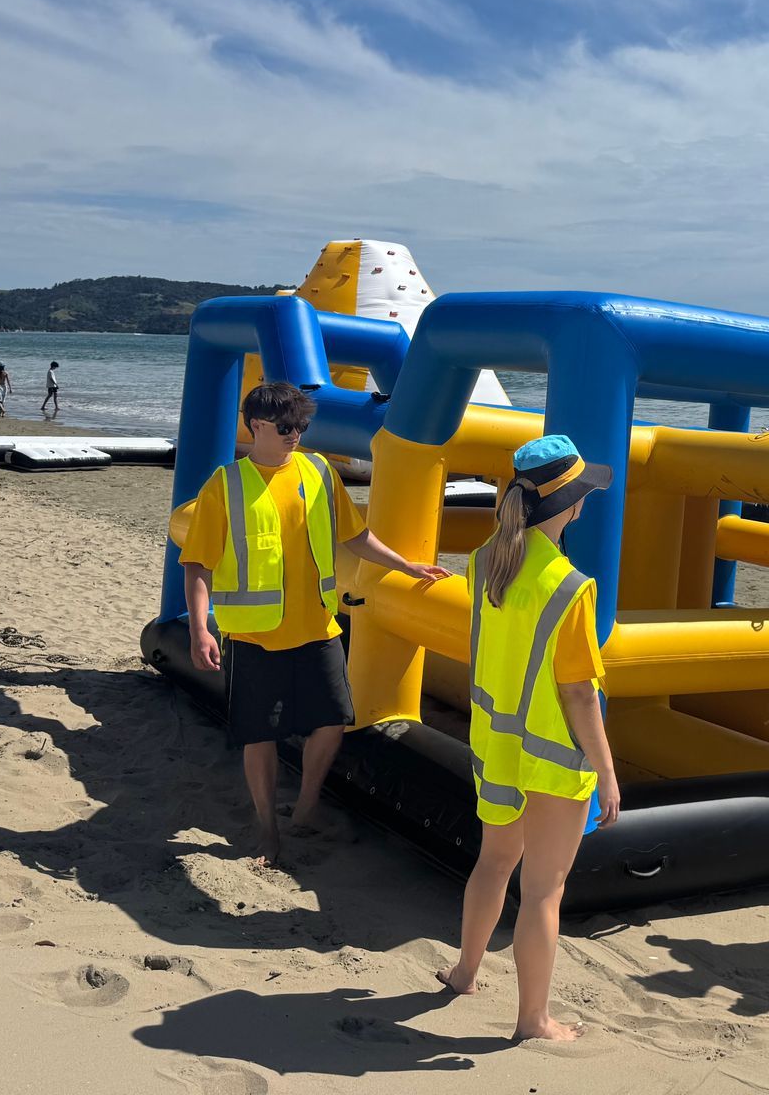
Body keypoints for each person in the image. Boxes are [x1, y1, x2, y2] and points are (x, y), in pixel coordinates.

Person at [179, 382, 449, 867]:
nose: (296, 435)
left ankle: (305, 809)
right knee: (257, 736)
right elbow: (196, 564)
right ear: (255, 425)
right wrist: (200, 628)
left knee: (333, 722)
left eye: (302, 426)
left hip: (318, 631)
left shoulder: (319, 472)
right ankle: (267, 832)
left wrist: (407, 566)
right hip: (253, 636)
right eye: (286, 427)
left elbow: (356, 535)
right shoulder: (225, 485)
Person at [436, 435, 619, 1042]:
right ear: (569, 506)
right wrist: (609, 773)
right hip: (554, 756)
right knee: (543, 890)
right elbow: (578, 695)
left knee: (492, 864)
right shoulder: (570, 587)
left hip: (496, 745)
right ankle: (532, 1020)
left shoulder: (484, 561)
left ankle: (465, 971)